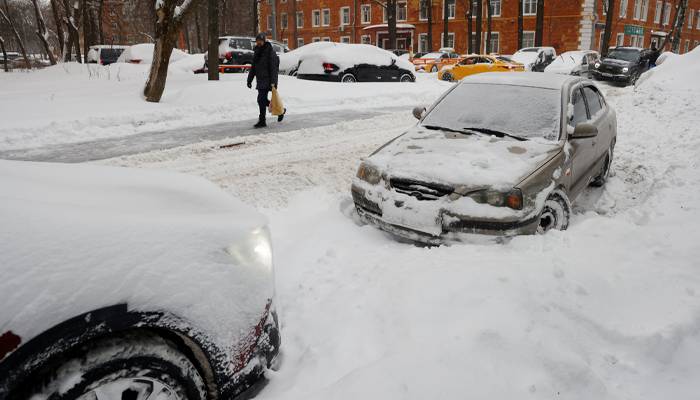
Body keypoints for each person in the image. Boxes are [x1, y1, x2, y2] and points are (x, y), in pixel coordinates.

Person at [247, 33, 285, 128]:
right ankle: (281, 110)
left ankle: (262, 120)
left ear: (264, 41)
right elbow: (253, 67)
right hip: (260, 80)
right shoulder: (257, 52)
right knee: (262, 100)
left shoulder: (270, 52)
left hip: (268, 80)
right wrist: (249, 80)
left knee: (260, 99)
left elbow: (273, 69)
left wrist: (274, 82)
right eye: (257, 41)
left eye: (260, 41)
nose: (258, 43)